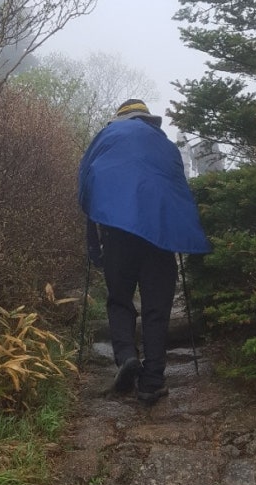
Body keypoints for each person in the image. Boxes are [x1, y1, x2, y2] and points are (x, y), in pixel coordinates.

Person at [78, 99, 211, 404]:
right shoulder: (164, 145)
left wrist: (94, 239)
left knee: (119, 300)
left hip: (116, 234)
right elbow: (177, 189)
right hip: (158, 236)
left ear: (119, 119)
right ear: (148, 119)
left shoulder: (106, 138)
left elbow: (87, 182)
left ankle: (126, 355)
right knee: (156, 307)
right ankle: (152, 381)